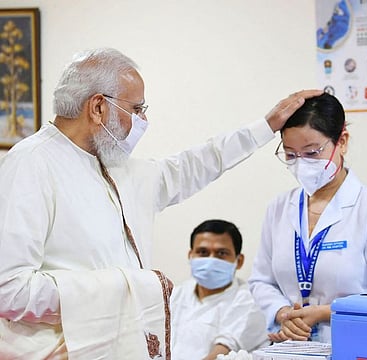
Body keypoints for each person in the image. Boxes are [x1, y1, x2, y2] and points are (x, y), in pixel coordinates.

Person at [0, 47, 321, 359]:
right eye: (137, 109)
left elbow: (196, 164)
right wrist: (127, 291)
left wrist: (264, 128)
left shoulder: (117, 168)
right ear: (98, 107)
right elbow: (9, 290)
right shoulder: (32, 164)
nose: (143, 120)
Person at [248, 93, 367, 344]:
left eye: (312, 152)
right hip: (291, 348)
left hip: (355, 345)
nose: (301, 164)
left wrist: (325, 313)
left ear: (342, 141)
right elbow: (261, 281)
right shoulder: (279, 208)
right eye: (291, 155)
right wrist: (283, 314)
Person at [170, 219, 269, 360]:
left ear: (239, 261)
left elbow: (224, 350)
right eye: (203, 252)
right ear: (190, 256)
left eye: (221, 253)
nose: (211, 260)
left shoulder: (251, 300)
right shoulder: (176, 294)